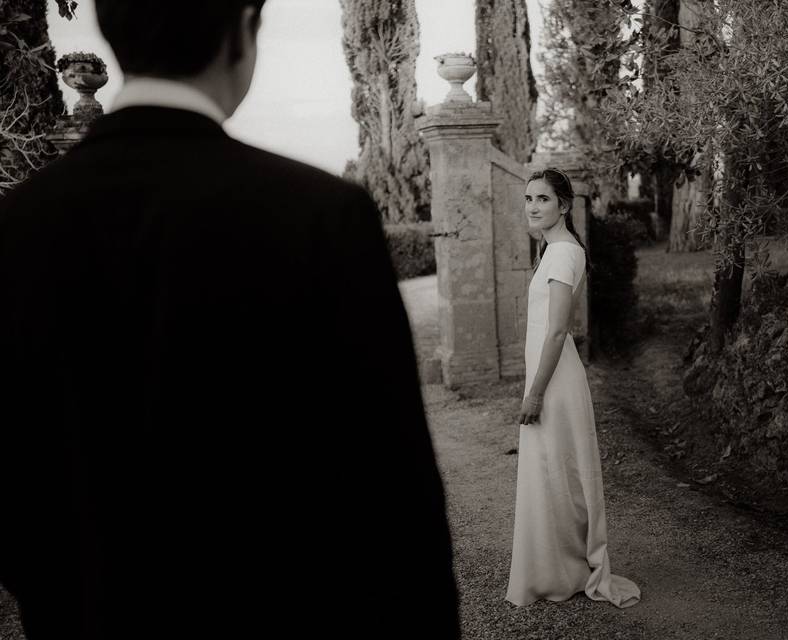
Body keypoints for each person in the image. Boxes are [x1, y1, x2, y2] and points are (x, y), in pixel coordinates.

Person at [0, 1, 459, 638]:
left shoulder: (17, 226)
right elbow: (392, 492)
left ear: (109, 28)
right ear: (244, 30)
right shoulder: (323, 216)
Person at [506, 168, 641, 609]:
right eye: (529, 199)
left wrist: (536, 393)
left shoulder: (563, 254)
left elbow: (559, 329)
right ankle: (556, 567)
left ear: (564, 205)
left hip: (556, 382)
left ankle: (563, 569)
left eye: (542, 199)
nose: (532, 206)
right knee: (552, 473)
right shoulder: (552, 251)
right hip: (551, 376)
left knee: (558, 473)